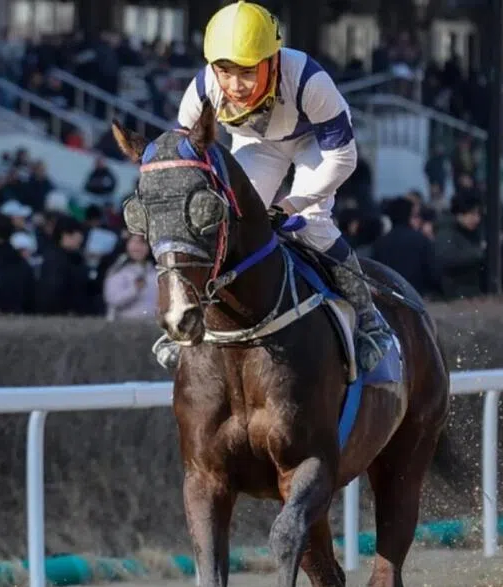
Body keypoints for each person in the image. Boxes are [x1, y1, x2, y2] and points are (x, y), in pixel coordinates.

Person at [156, 0, 394, 372]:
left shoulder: (310, 80)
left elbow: (343, 160)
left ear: (273, 59)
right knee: (226, 224)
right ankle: (188, 320)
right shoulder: (200, 92)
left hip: (314, 141)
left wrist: (292, 204)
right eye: (225, 70)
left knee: (313, 223)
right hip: (256, 145)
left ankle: (368, 320)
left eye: (248, 71)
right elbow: (189, 165)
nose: (235, 86)